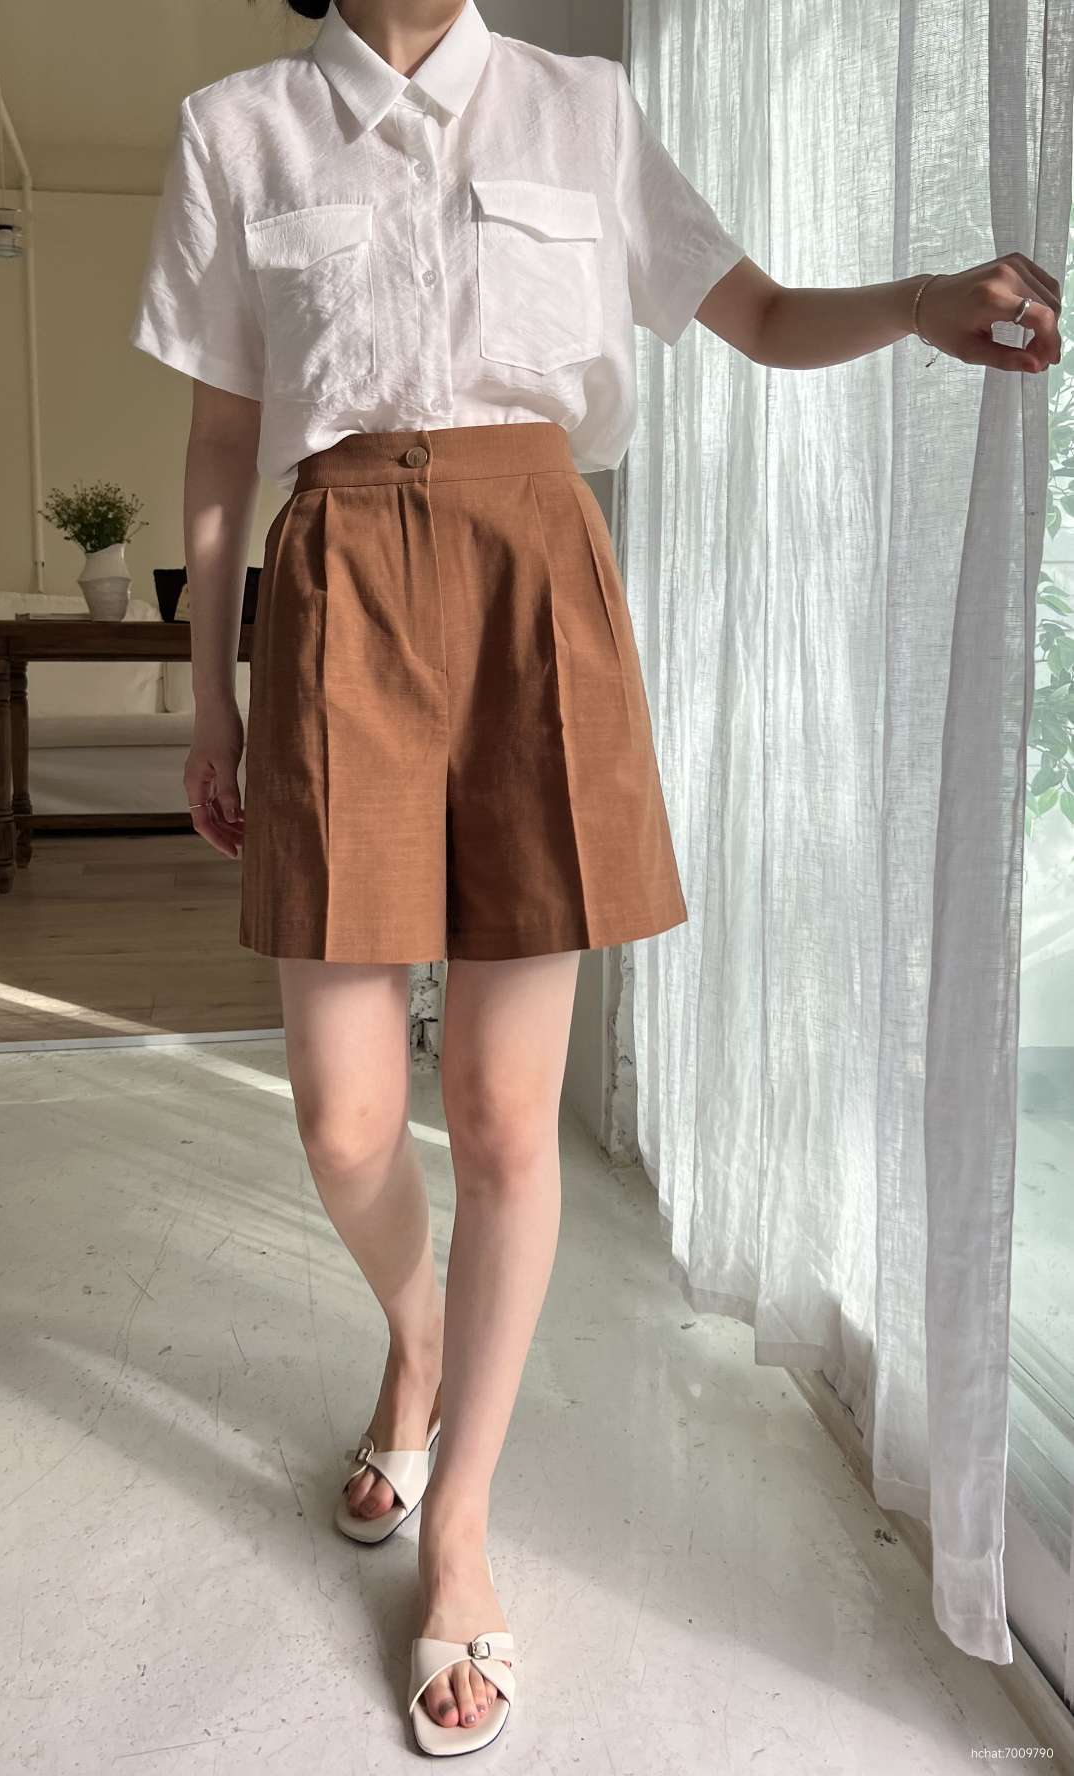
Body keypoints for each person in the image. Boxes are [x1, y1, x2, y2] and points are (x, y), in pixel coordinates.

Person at [130, 0, 1062, 1753]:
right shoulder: (237, 130)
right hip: (334, 589)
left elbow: (756, 313)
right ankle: (415, 1342)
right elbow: (216, 439)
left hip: (537, 594)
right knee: (343, 1118)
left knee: (502, 1116)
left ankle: (463, 1520)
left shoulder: (585, 108)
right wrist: (210, 695)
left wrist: (921, 300)